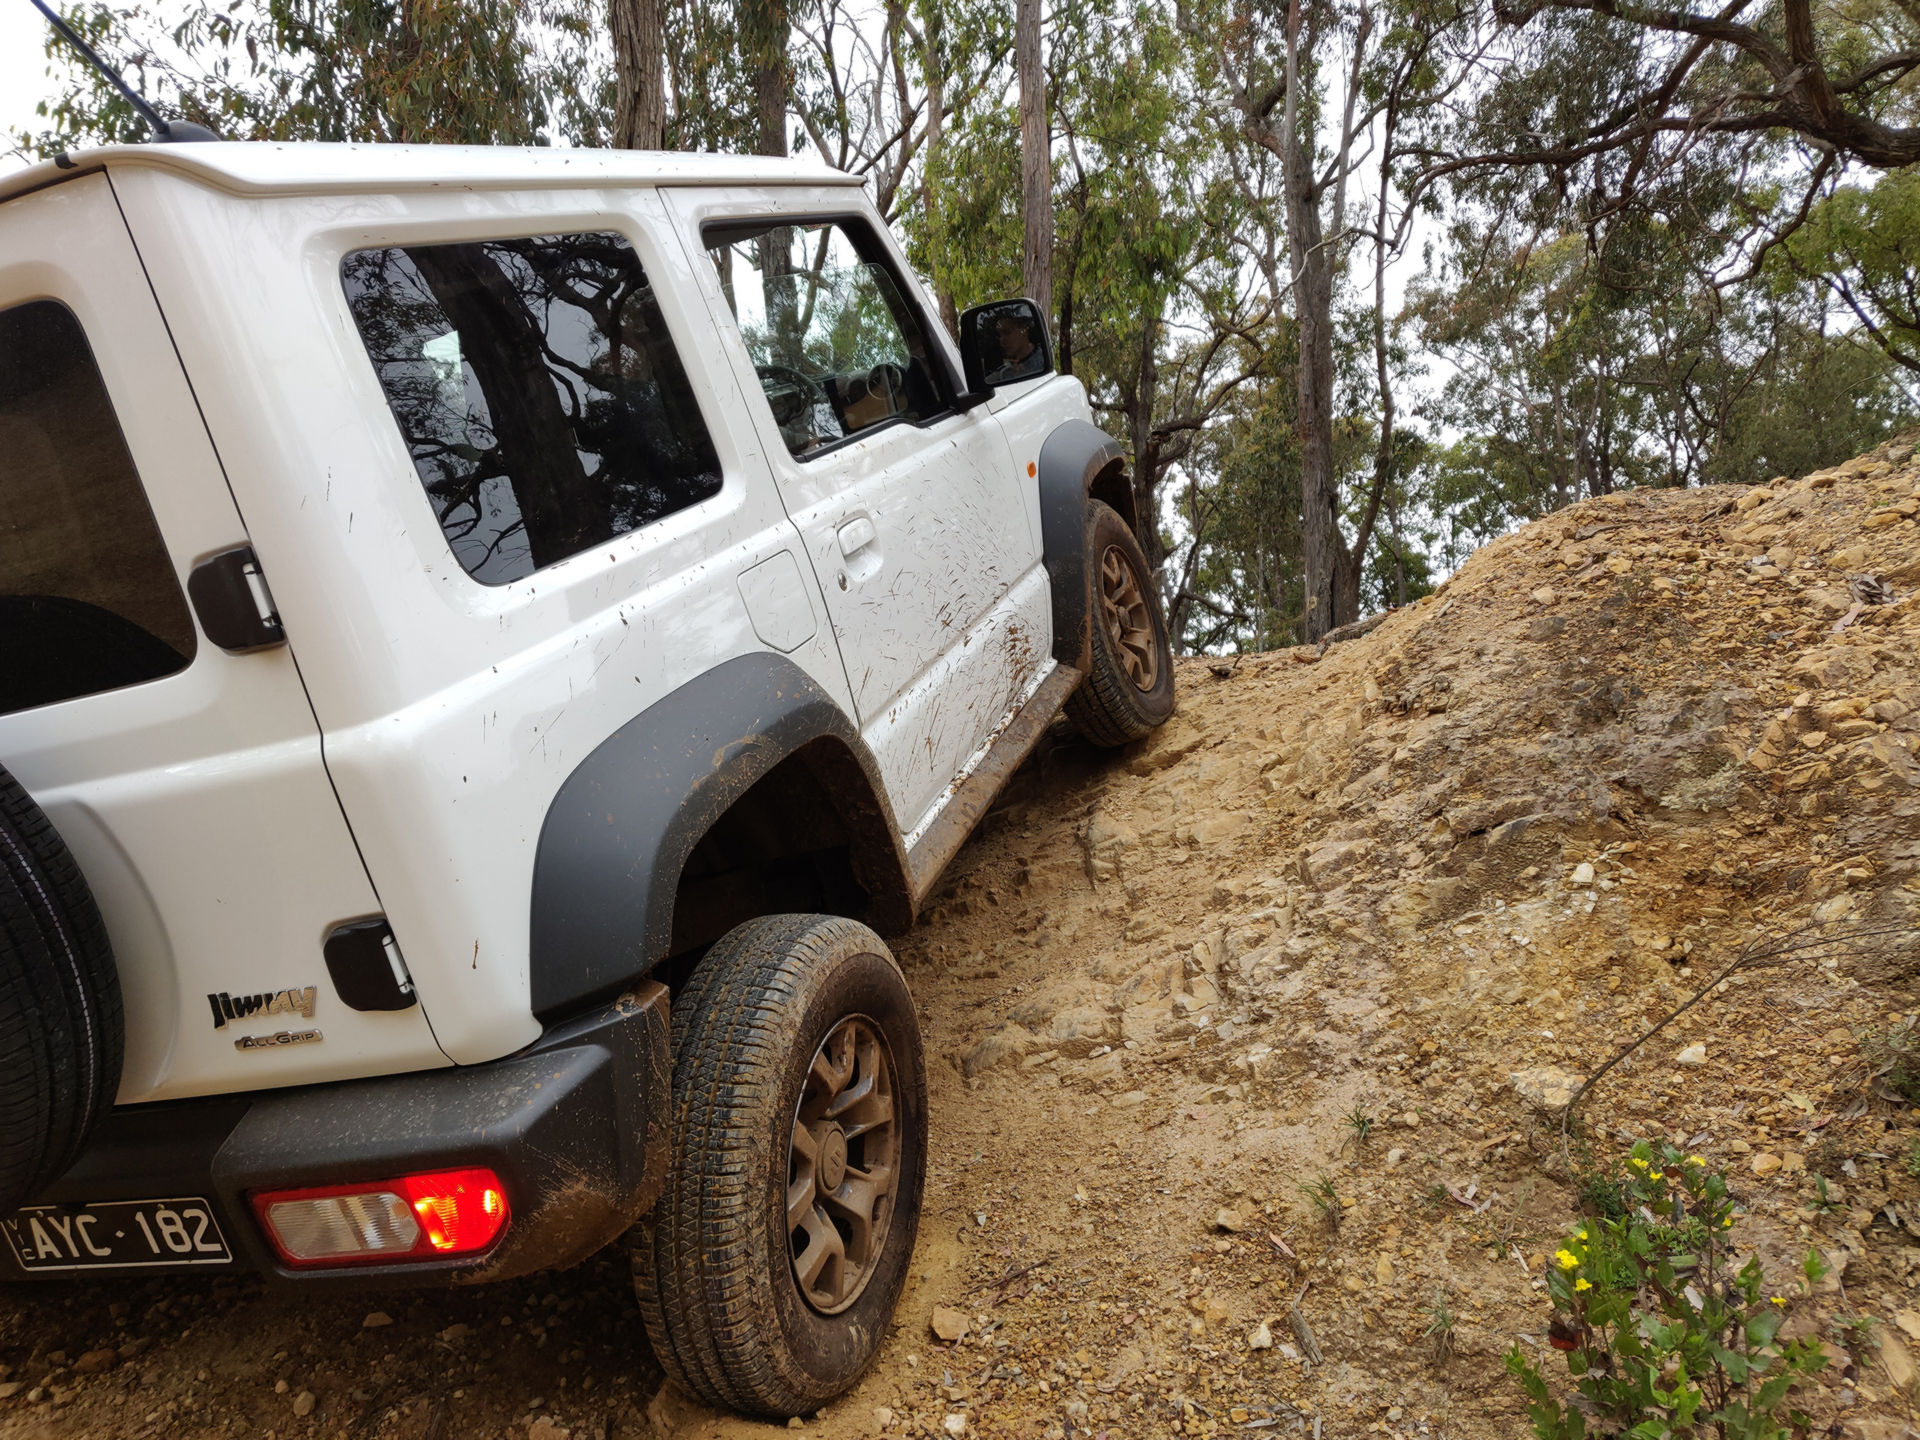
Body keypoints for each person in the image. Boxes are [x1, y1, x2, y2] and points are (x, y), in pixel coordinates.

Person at [985, 311, 1047, 383]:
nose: (1001, 340)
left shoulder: (1042, 360)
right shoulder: (1003, 371)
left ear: (1024, 329)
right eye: (999, 335)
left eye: (1007, 332)